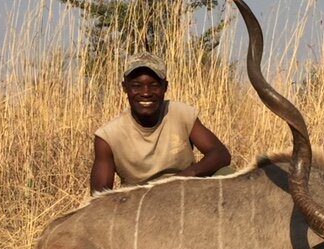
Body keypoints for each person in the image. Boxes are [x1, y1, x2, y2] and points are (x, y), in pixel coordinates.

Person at [90, 52, 232, 194]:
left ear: (165, 87)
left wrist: (183, 178)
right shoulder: (108, 136)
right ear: (125, 87)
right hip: (140, 204)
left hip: (184, 193)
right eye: (137, 85)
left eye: (154, 85)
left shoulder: (181, 114)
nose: (146, 93)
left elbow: (220, 153)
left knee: (226, 174)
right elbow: (99, 195)